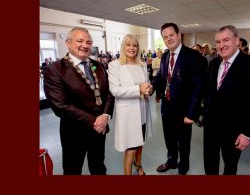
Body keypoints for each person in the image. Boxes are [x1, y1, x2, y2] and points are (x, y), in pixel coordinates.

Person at [43, 27, 114, 175]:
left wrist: (106, 115)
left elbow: (109, 93)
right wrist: (95, 121)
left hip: (99, 130)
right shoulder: (55, 69)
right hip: (74, 133)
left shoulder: (99, 66)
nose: (85, 45)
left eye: (88, 42)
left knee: (98, 166)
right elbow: (60, 106)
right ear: (68, 43)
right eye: (80, 41)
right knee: (72, 170)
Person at [203, 25, 250, 175]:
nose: (221, 45)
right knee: (210, 164)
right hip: (211, 126)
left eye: (226, 40)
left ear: (237, 40)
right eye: (218, 42)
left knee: (230, 167)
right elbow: (210, 93)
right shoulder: (213, 64)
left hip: (235, 130)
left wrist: (248, 133)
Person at [152, 23, 206, 175]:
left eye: (171, 35)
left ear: (178, 34)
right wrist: (152, 86)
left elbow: (198, 86)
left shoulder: (193, 56)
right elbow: (161, 78)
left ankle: (183, 165)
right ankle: (171, 161)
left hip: (184, 110)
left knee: (183, 140)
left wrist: (191, 113)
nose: (169, 39)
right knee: (169, 137)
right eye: (165, 37)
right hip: (167, 106)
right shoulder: (165, 56)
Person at [108, 34, 152, 175]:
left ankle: (138, 165)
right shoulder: (115, 65)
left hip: (143, 109)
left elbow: (146, 84)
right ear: (123, 47)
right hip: (128, 113)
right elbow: (115, 90)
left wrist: (148, 89)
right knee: (131, 147)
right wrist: (138, 89)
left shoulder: (142, 64)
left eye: (135, 45)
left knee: (140, 142)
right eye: (128, 45)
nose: (132, 48)